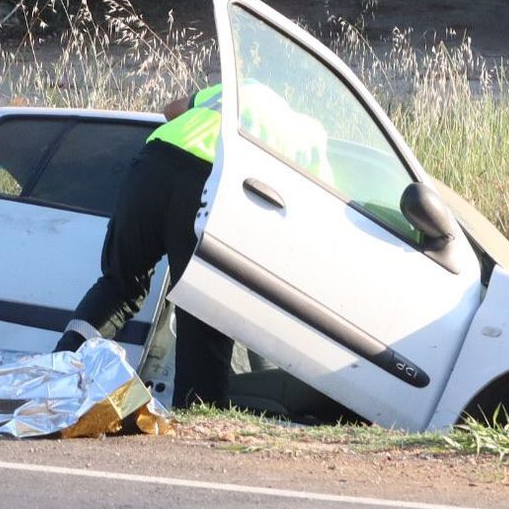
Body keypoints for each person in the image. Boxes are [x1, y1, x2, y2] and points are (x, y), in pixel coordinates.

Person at [53, 81, 330, 409]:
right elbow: (317, 211)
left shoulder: (249, 91)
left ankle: (58, 373)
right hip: (207, 182)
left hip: (153, 165)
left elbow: (172, 109)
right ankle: (195, 417)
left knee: (119, 286)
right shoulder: (314, 138)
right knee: (203, 307)